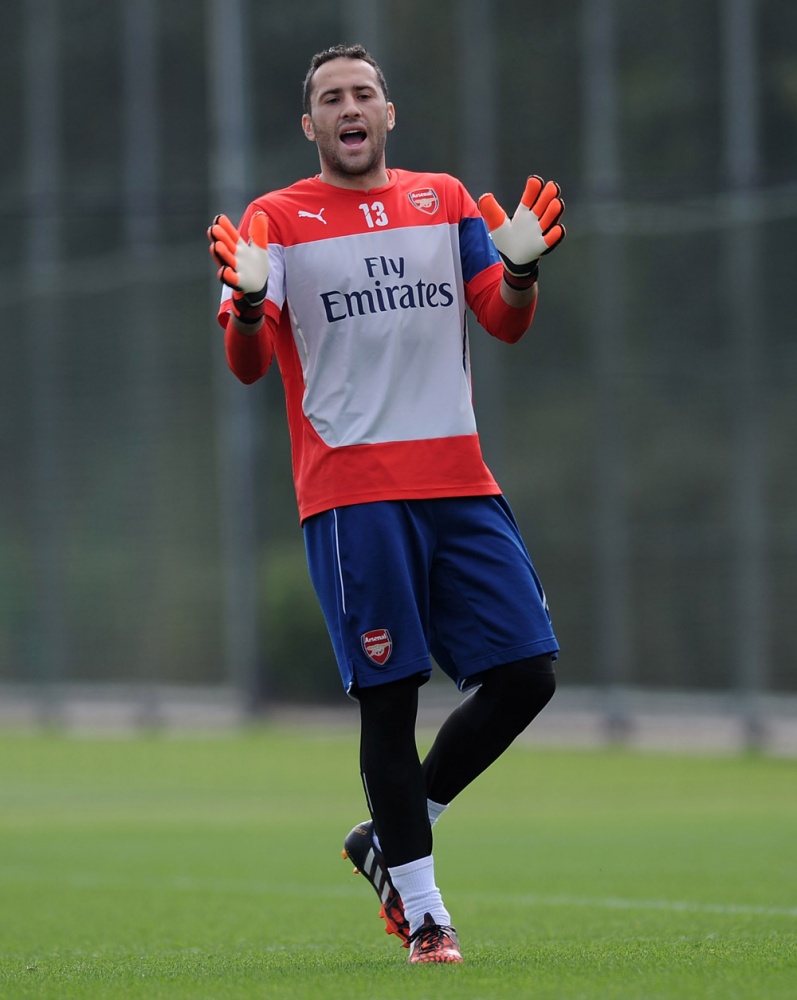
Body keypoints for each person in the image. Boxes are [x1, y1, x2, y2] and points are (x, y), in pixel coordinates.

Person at [208, 43, 565, 965]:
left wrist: (520, 271)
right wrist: (247, 308)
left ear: (389, 112)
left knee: (527, 674)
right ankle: (425, 915)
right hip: (353, 497)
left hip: (460, 483)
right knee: (389, 701)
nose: (349, 107)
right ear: (310, 125)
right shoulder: (274, 220)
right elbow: (248, 364)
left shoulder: (442, 198)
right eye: (331, 98)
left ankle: (389, 832)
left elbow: (501, 317)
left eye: (363, 92)